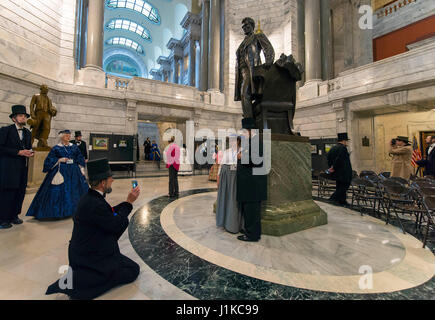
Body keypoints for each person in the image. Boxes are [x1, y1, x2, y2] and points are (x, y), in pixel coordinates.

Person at [46, 158, 141, 300]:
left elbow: (108, 214)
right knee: (133, 270)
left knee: (128, 266)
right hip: (91, 257)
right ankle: (87, 284)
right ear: (103, 183)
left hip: (90, 251)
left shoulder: (91, 197)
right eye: (110, 178)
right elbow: (114, 224)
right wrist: (128, 203)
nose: (112, 181)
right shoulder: (95, 204)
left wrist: (124, 205)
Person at [26, 130, 88, 220]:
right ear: (61, 137)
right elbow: (49, 160)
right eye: (66, 135)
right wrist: (59, 160)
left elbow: (79, 157)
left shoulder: (74, 147)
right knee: (58, 191)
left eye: (69, 135)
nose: (68, 137)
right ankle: (58, 212)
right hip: (61, 170)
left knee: (76, 189)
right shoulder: (56, 148)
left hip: (74, 171)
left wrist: (81, 168)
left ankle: (76, 210)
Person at [0, 105, 34, 229]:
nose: (23, 118)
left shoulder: (27, 132)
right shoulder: (5, 130)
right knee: (8, 192)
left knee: (20, 191)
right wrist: (18, 152)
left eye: (25, 116)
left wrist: (29, 152)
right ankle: (3, 218)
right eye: (21, 116)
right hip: (8, 168)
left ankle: (15, 215)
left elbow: (27, 147)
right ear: (14, 118)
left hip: (22, 167)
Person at [234, 17, 275, 119]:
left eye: (247, 25)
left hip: (252, 70)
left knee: (245, 94)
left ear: (252, 26)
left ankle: (249, 124)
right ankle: (250, 120)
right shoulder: (242, 43)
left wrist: (269, 61)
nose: (245, 28)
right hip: (241, 72)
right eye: (243, 26)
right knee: (244, 95)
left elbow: (268, 48)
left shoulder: (257, 36)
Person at [237, 118, 267, 242]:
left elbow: (257, 160)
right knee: (249, 210)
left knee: (252, 211)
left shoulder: (256, 142)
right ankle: (249, 230)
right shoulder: (250, 142)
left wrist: (241, 156)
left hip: (253, 185)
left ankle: (252, 235)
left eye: (244, 131)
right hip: (248, 184)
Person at [216, 135, 243, 234]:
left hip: (236, 177)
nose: (232, 143)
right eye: (231, 141)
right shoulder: (226, 152)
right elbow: (221, 166)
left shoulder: (243, 151)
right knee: (225, 199)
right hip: (225, 177)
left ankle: (233, 225)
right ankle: (224, 222)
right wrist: (218, 178)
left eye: (234, 141)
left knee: (234, 200)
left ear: (239, 141)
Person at [327, 133, 353, 207]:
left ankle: (342, 201)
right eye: (346, 141)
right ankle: (332, 199)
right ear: (344, 141)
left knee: (339, 186)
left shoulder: (333, 148)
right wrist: (333, 167)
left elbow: (328, 159)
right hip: (344, 173)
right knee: (344, 187)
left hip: (337, 173)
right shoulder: (343, 148)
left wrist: (331, 167)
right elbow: (339, 159)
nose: (347, 142)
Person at [28, 84, 57, 148]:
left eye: (47, 89)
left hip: (47, 114)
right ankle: (30, 141)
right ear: (41, 89)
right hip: (39, 113)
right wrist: (32, 114)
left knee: (47, 128)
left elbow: (51, 108)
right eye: (45, 88)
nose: (47, 90)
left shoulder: (49, 99)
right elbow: (31, 105)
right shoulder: (36, 96)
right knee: (36, 127)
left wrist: (54, 111)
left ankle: (43, 141)